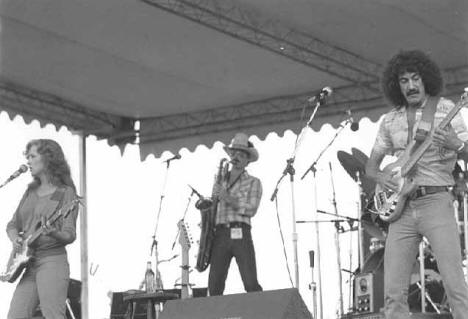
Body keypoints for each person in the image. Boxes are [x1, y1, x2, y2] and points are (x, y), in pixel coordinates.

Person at [365, 50, 468, 318]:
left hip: (436, 201)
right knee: (392, 292)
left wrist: (456, 145)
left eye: (415, 78)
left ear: (425, 80)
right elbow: (371, 166)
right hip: (402, 208)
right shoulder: (390, 120)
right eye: (403, 80)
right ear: (395, 85)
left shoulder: (446, 108)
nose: (410, 85)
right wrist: (381, 177)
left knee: (456, 286)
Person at [5, 139, 79, 319]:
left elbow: (70, 235)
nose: (28, 161)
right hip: (28, 263)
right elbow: (12, 225)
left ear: (48, 158)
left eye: (32, 156)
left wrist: (53, 232)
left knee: (53, 315)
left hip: (52, 261)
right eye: (27, 157)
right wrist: (16, 239)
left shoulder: (65, 192)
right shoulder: (30, 192)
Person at [208, 132, 263, 296]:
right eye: (234, 153)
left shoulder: (254, 182)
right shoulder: (220, 179)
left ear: (247, 160)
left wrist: (228, 198)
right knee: (214, 286)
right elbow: (213, 205)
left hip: (241, 232)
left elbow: (251, 209)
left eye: (241, 154)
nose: (236, 156)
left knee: (250, 283)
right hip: (220, 233)